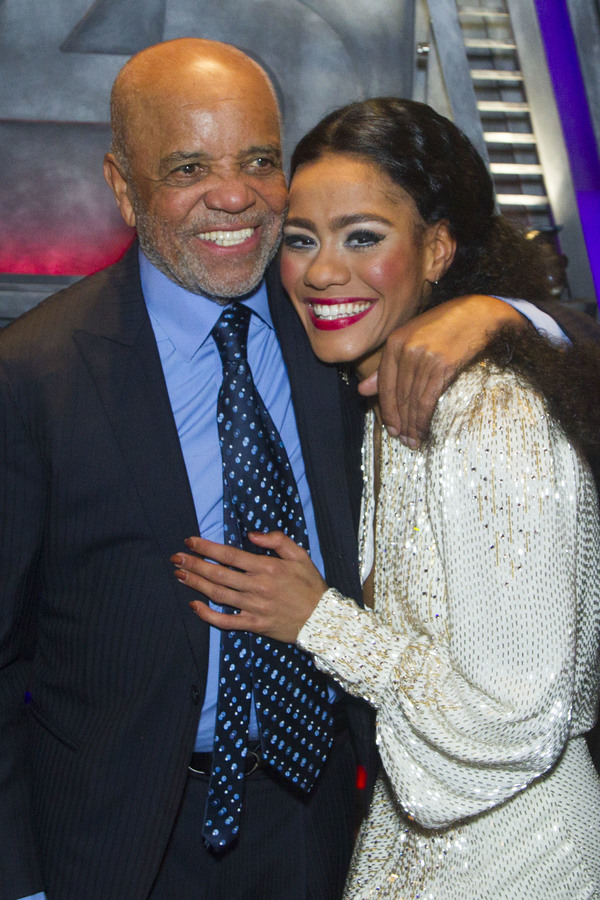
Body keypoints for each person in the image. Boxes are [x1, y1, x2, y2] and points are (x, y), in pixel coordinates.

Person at [0, 38, 595, 900]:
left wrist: (501, 314)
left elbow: (569, 346)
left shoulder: (335, 312)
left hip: (327, 822)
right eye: (188, 167)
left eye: (258, 161)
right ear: (124, 188)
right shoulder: (34, 374)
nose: (234, 194)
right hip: (116, 844)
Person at [176, 97, 600, 898]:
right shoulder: (364, 383)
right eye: (301, 240)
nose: (323, 271)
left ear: (437, 247)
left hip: (521, 862)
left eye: (362, 236)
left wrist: (319, 621)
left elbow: (514, 723)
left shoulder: (490, 414)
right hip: (406, 850)